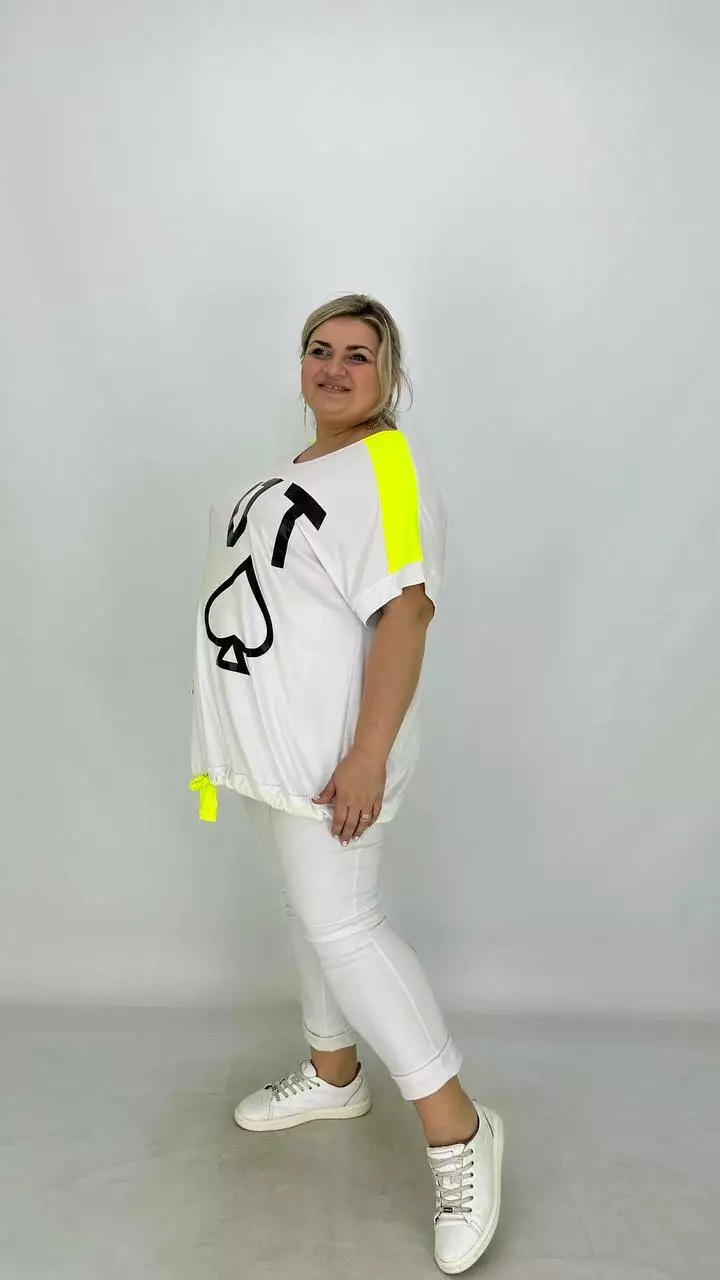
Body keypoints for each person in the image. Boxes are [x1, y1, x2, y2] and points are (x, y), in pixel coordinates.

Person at [189, 293, 503, 1274]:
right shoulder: (291, 470)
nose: (333, 367)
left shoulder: (384, 465)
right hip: (271, 751)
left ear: (390, 376)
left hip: (335, 756)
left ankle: (459, 1130)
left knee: (345, 927)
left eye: (358, 355)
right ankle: (334, 1073)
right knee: (310, 912)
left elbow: (407, 611)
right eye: (318, 349)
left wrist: (367, 753)